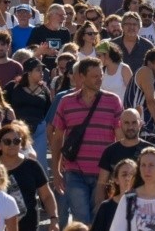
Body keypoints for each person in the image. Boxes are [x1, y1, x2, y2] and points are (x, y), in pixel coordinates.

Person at [52, 58, 124, 225]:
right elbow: (57, 139)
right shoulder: (66, 102)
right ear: (82, 77)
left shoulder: (113, 101)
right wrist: (56, 171)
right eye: (94, 76)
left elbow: (119, 137)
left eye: (101, 75)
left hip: (103, 173)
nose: (99, 79)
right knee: (81, 221)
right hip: (74, 171)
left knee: (99, 220)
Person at [0, 124, 59, 231]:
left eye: (16, 141)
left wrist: (54, 218)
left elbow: (46, 195)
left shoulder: (32, 166)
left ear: (21, 144)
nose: (12, 144)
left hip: (28, 225)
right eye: (7, 141)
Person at [95, 109, 155, 207]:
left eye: (134, 122)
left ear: (140, 124)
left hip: (145, 206)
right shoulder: (110, 151)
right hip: (116, 206)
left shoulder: (151, 150)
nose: (130, 127)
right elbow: (101, 184)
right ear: (120, 124)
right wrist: (99, 208)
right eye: (126, 123)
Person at [122, 48, 155, 147]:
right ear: (149, 63)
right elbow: (151, 101)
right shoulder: (145, 71)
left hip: (149, 132)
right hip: (142, 132)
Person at [91, 159, 137, 231]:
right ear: (116, 180)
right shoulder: (106, 207)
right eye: (124, 175)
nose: (128, 178)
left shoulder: (142, 205)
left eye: (132, 174)